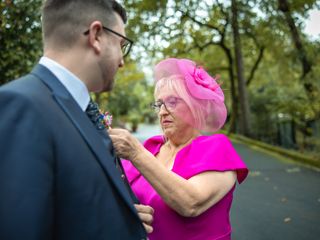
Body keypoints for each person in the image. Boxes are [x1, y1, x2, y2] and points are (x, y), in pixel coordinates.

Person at [0, 1, 153, 239]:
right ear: (96, 35)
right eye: (122, 44)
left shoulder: (83, 109)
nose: (122, 61)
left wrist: (122, 218)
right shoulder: (21, 106)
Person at [109, 58, 249, 240]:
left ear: (195, 106)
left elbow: (191, 204)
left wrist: (136, 152)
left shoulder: (217, 149)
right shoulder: (151, 147)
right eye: (159, 104)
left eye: (172, 102)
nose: (162, 112)